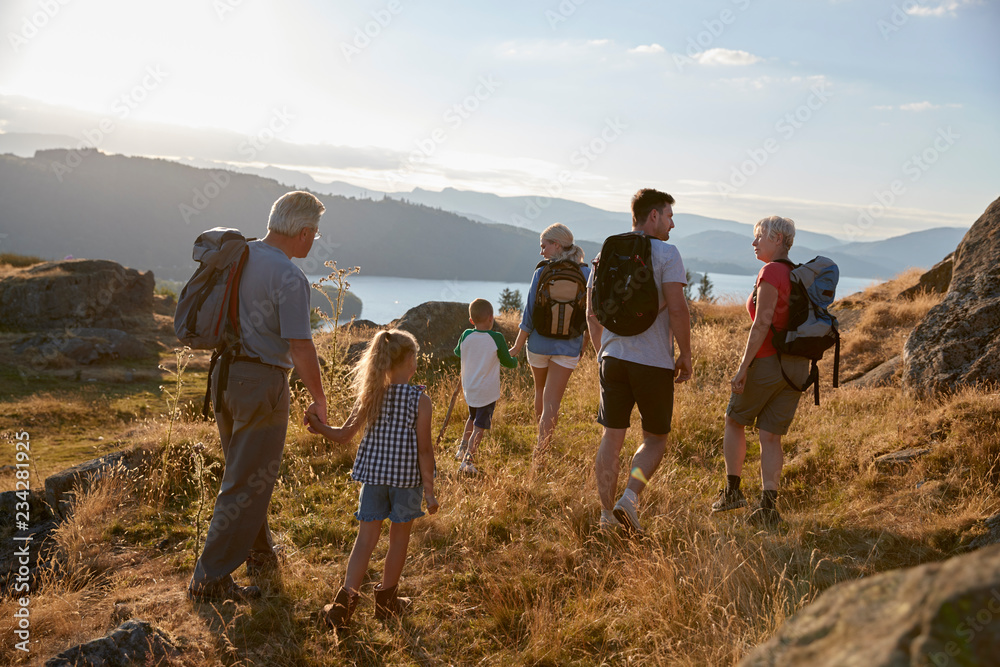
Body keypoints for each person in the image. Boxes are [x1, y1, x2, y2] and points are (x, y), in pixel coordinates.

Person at [188, 191, 328, 602]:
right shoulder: (288, 276)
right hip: (261, 385)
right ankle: (209, 580)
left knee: (246, 471)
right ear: (303, 232)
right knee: (247, 481)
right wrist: (319, 399)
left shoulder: (239, 254)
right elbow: (301, 346)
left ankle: (261, 556)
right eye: (315, 234)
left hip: (224, 377)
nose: (314, 241)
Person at [307, 329, 439, 628]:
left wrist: (317, 425)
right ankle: (387, 604)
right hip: (406, 484)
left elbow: (342, 436)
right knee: (398, 540)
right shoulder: (421, 401)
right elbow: (425, 450)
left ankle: (342, 607)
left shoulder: (371, 395)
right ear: (411, 363)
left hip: (374, 480)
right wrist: (429, 493)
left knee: (365, 540)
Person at [587, 188, 692, 535]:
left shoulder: (608, 252)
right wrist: (685, 353)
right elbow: (677, 308)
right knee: (656, 438)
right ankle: (629, 498)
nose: (672, 224)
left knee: (611, 437)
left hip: (612, 358)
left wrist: (603, 350)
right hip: (653, 362)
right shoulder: (666, 253)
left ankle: (605, 517)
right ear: (653, 217)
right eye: (669, 216)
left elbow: (592, 312)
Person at [711, 216, 809, 527]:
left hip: (767, 362)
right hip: (797, 367)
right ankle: (768, 508)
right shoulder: (797, 274)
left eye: (759, 237)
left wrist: (743, 367)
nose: (754, 243)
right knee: (770, 436)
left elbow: (762, 322)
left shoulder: (771, 271)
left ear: (777, 239)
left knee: (734, 419)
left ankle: (733, 492)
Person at [508, 223, 590, 469]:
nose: (542, 251)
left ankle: (539, 441)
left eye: (544, 246)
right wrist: (585, 344)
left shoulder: (542, 272)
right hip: (568, 347)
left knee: (540, 392)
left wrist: (516, 346)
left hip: (539, 345)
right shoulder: (585, 274)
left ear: (556, 245)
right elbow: (590, 315)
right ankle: (541, 453)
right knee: (553, 400)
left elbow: (529, 315)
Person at [454, 298, 519, 474]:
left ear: (471, 320)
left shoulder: (466, 335)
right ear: (491, 318)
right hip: (486, 394)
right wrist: (515, 360)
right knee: (479, 428)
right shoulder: (496, 338)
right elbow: (507, 362)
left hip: (471, 389)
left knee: (471, 418)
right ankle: (467, 462)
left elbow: (457, 352)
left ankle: (461, 450)